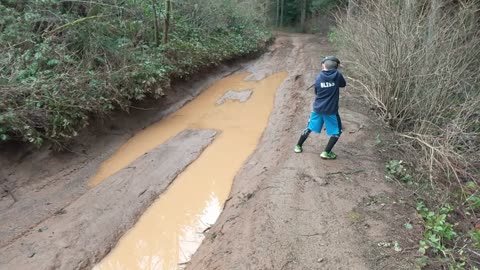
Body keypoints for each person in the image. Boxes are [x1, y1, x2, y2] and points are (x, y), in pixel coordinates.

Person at [294, 56, 346, 159]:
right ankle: (326, 152)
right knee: (337, 131)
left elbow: (317, 92)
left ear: (324, 66)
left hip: (318, 108)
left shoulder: (319, 77)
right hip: (331, 111)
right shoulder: (338, 75)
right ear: (336, 67)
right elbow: (343, 84)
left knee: (309, 127)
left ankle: (298, 146)